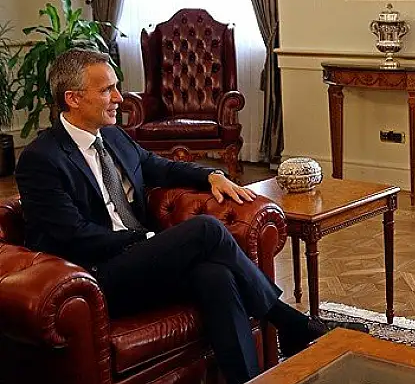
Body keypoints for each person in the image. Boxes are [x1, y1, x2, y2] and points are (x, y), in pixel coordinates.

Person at [14, 48, 366, 384]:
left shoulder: (113, 137)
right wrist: (147, 240)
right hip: (94, 277)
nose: (119, 97)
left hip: (139, 261)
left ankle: (249, 378)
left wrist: (210, 175)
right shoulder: (42, 158)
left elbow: (158, 166)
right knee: (206, 230)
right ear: (73, 98)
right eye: (107, 90)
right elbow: (73, 235)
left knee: (216, 276)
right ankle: (292, 324)